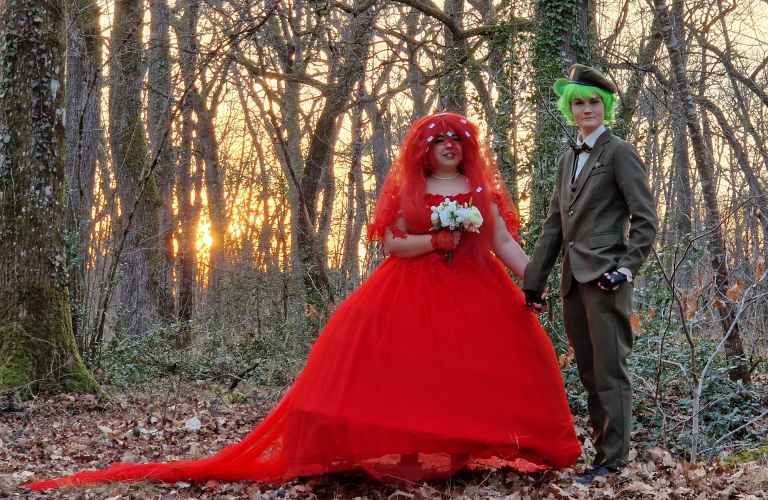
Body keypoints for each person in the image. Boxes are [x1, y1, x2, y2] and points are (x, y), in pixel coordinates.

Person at [27, 112, 581, 491]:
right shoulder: (408, 190)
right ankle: (407, 452)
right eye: (439, 142)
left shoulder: (481, 192)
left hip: (474, 291)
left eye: (456, 141)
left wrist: (535, 282)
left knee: (473, 370)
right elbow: (391, 244)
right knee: (404, 372)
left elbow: (504, 243)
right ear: (424, 149)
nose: (449, 148)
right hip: (410, 288)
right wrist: (436, 241)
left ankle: (471, 449)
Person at [523, 64, 657, 480]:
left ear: (607, 106)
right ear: (570, 109)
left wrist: (626, 268)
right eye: (578, 103)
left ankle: (613, 462)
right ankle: (602, 456)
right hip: (571, 282)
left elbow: (645, 218)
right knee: (587, 372)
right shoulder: (567, 160)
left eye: (594, 102)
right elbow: (554, 226)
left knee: (609, 371)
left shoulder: (619, 152)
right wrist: (534, 283)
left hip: (606, 279)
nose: (587, 109)